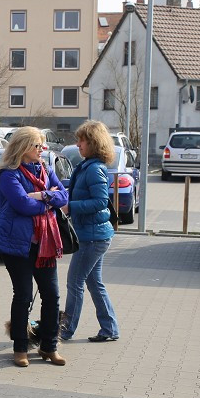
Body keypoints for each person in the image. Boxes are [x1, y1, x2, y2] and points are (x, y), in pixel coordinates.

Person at [0, 128, 70, 367]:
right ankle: (20, 348)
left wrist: (40, 196)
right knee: (23, 296)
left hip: (45, 243)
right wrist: (48, 200)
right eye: (37, 146)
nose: (41, 150)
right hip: (16, 245)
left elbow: (64, 196)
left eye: (41, 146)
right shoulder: (7, 174)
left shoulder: (45, 169)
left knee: (52, 296)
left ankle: (49, 347)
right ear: (23, 148)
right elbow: (22, 204)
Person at [61, 120, 121, 343]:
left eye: (81, 140)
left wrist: (71, 207)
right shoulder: (88, 165)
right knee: (94, 283)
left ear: (93, 142)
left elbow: (100, 202)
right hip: (93, 234)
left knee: (74, 281)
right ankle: (110, 329)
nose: (78, 144)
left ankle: (66, 330)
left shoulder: (95, 169)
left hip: (92, 237)